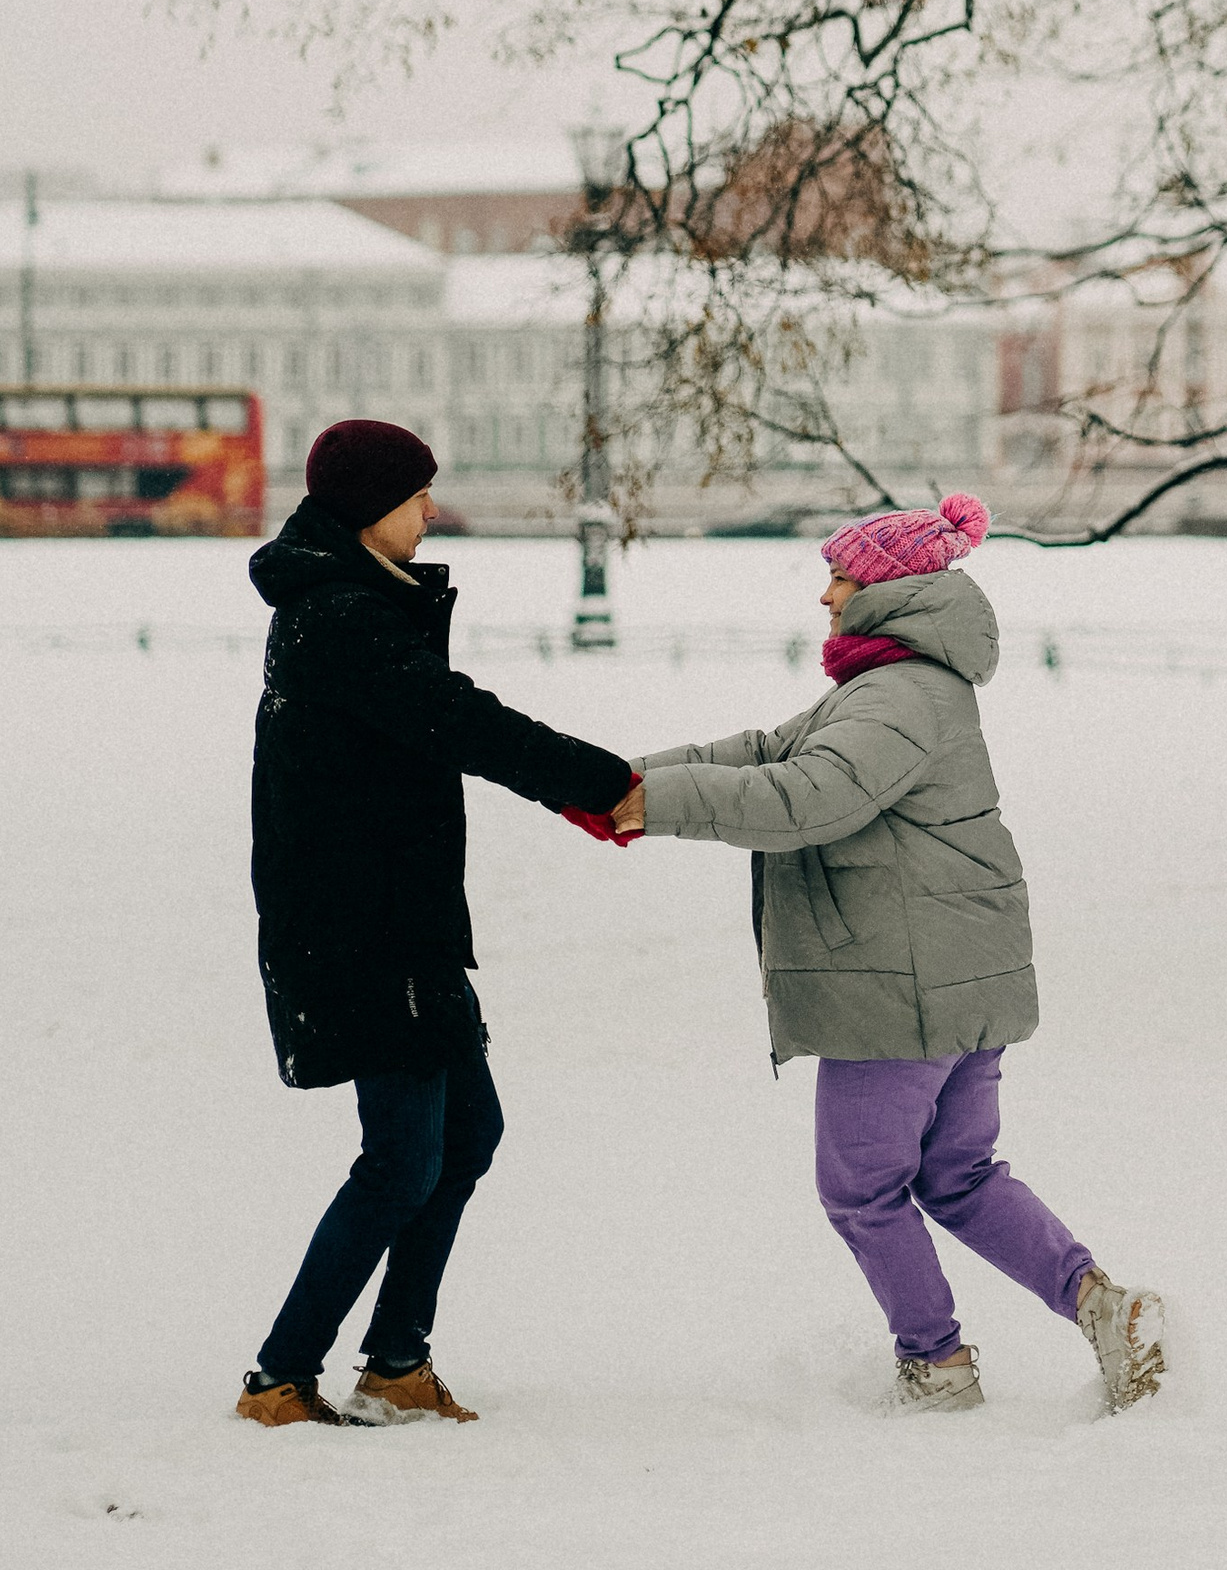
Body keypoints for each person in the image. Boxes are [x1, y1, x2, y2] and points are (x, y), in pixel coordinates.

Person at [613, 490, 1166, 1414]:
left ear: (894, 591)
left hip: (904, 982)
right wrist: (621, 780)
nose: (825, 597)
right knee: (957, 1173)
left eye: (841, 578)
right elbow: (765, 748)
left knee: (862, 1189)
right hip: (950, 972)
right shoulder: (892, 687)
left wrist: (655, 806)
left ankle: (937, 1367)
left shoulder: (901, 695)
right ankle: (1100, 1307)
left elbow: (809, 797)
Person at [233, 417, 637, 1428]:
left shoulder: (363, 604)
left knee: (464, 1135)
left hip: (400, 922)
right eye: (415, 496)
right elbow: (459, 721)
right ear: (371, 508)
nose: (429, 510)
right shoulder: (340, 619)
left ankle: (397, 1361)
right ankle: (281, 1378)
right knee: (402, 1160)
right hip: (362, 927)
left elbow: (437, 729)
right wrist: (597, 785)